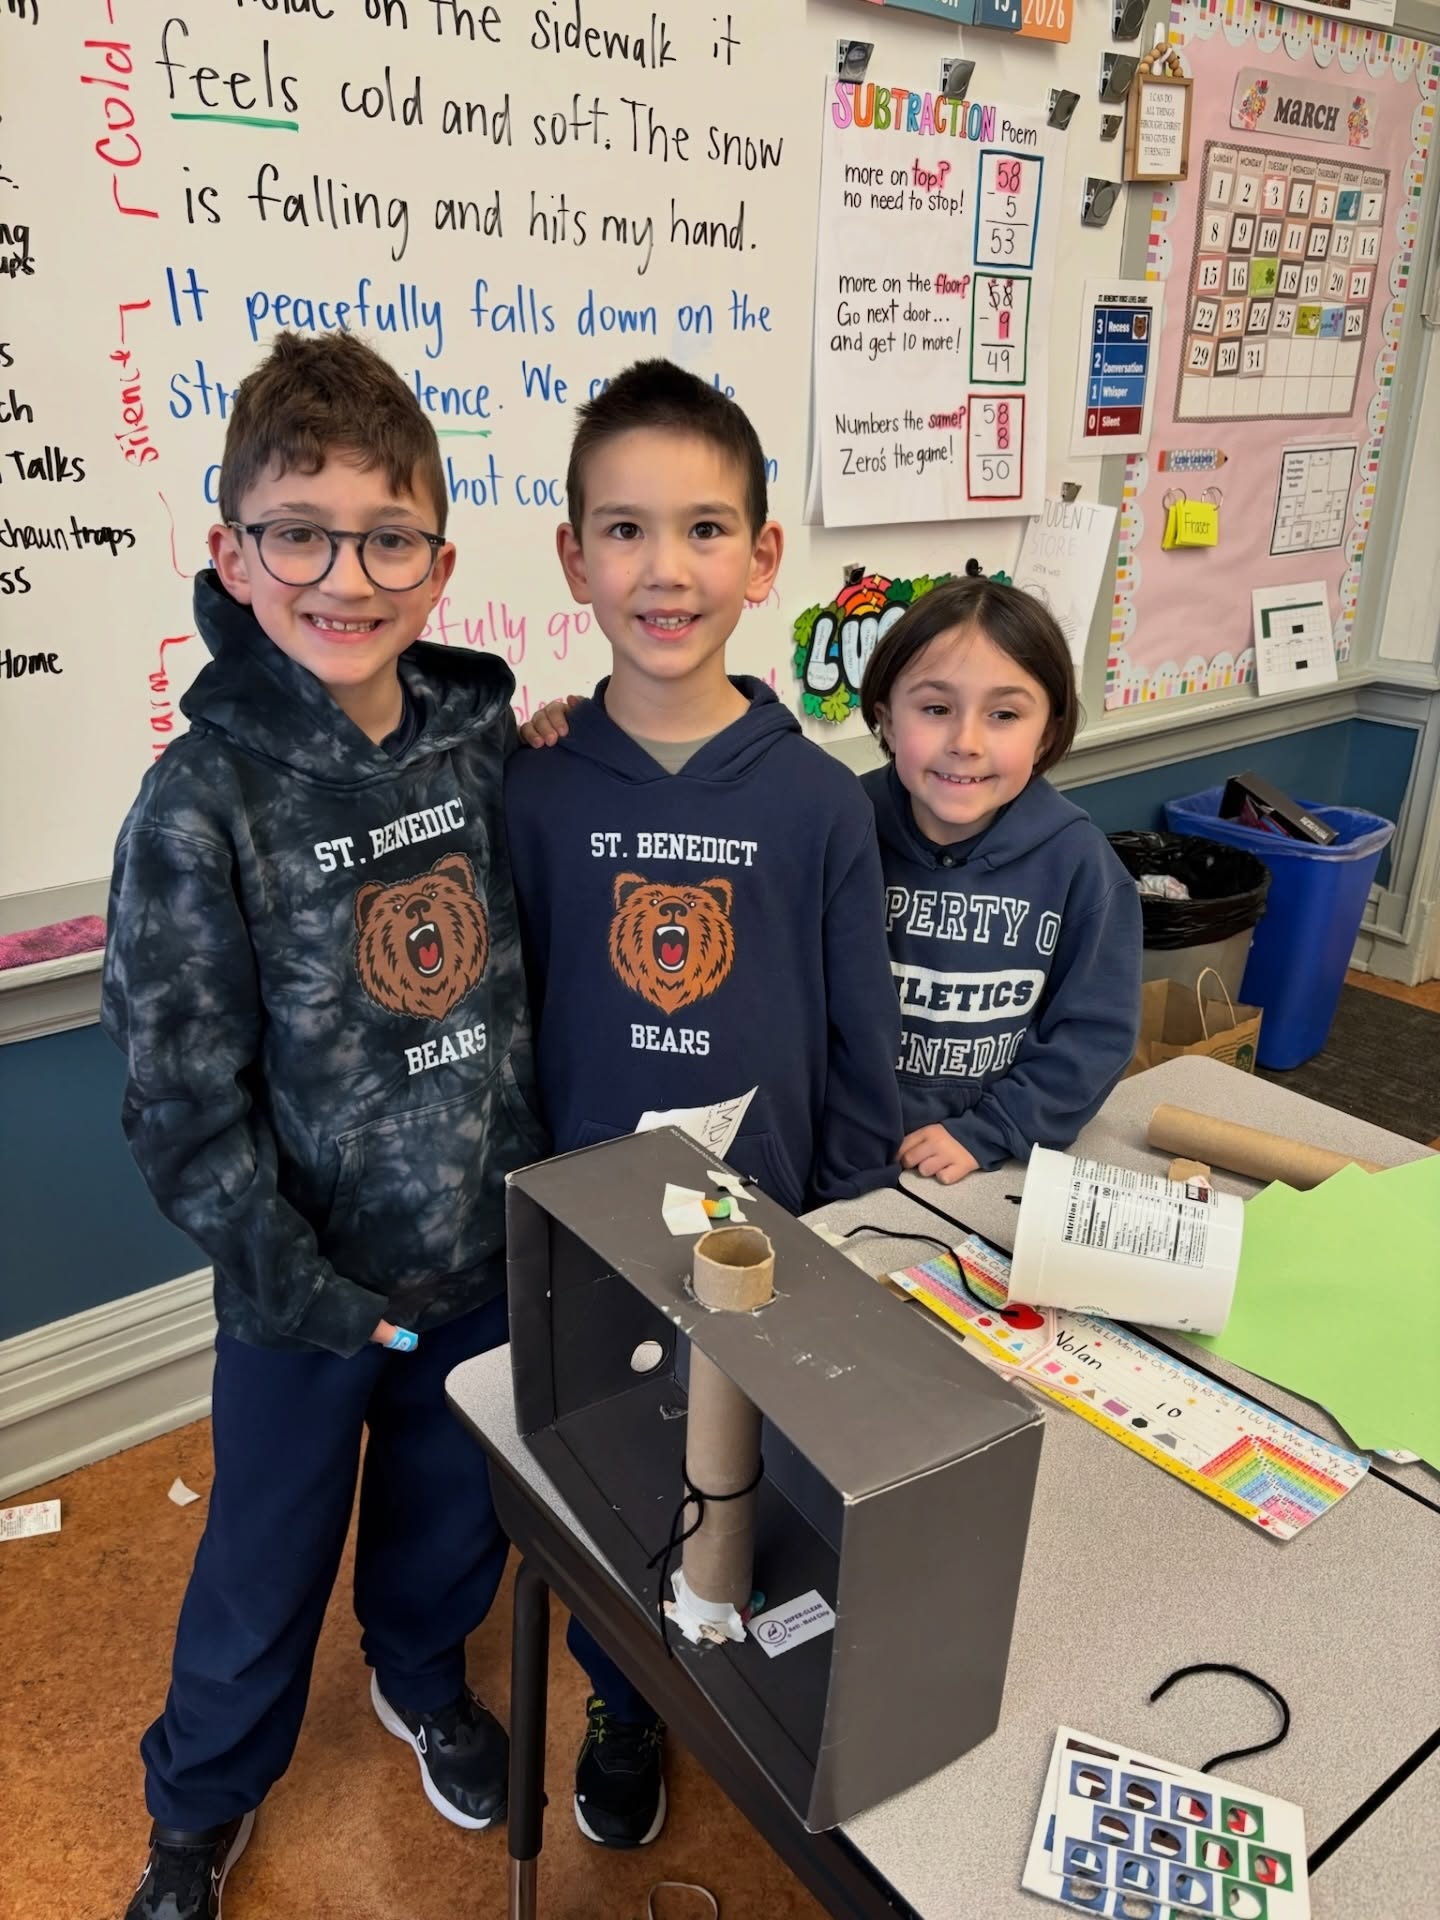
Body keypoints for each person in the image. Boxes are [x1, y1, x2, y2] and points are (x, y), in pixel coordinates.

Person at [102, 331, 546, 1920]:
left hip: (485, 1253)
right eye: (299, 531)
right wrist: (291, 1279)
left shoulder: (487, 745)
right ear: (234, 548)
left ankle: (423, 1678)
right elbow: (177, 1096)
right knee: (263, 1559)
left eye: (387, 537)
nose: (342, 574)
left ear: (438, 562)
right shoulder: (199, 803)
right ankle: (200, 1803)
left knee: (451, 1518)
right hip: (305, 1297)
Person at [504, 357, 902, 1852]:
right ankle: (620, 1694)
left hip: (775, 1225)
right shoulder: (529, 788)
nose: (663, 569)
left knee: (755, 1467)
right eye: (623, 530)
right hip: (586, 1231)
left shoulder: (815, 803)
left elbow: (859, 1030)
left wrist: (862, 1207)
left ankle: (753, 1648)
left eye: (702, 528)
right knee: (618, 1475)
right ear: (571, 556)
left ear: (762, 557)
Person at [858, 575, 1141, 1184]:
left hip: (992, 1157)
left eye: (1005, 715)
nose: (966, 743)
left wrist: (992, 1129)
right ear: (885, 719)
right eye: (936, 709)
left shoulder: (1080, 864)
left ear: (1045, 734)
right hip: (842, 1141)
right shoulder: (839, 832)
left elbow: (1094, 1033)